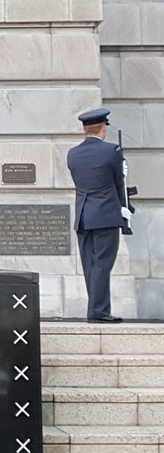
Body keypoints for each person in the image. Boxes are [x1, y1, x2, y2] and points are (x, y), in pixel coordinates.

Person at [67, 108, 129, 323]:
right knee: (103, 264)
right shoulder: (112, 150)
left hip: (84, 216)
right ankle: (99, 312)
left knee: (90, 265)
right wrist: (124, 208)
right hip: (106, 215)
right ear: (103, 128)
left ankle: (96, 309)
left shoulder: (72, 153)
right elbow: (118, 183)